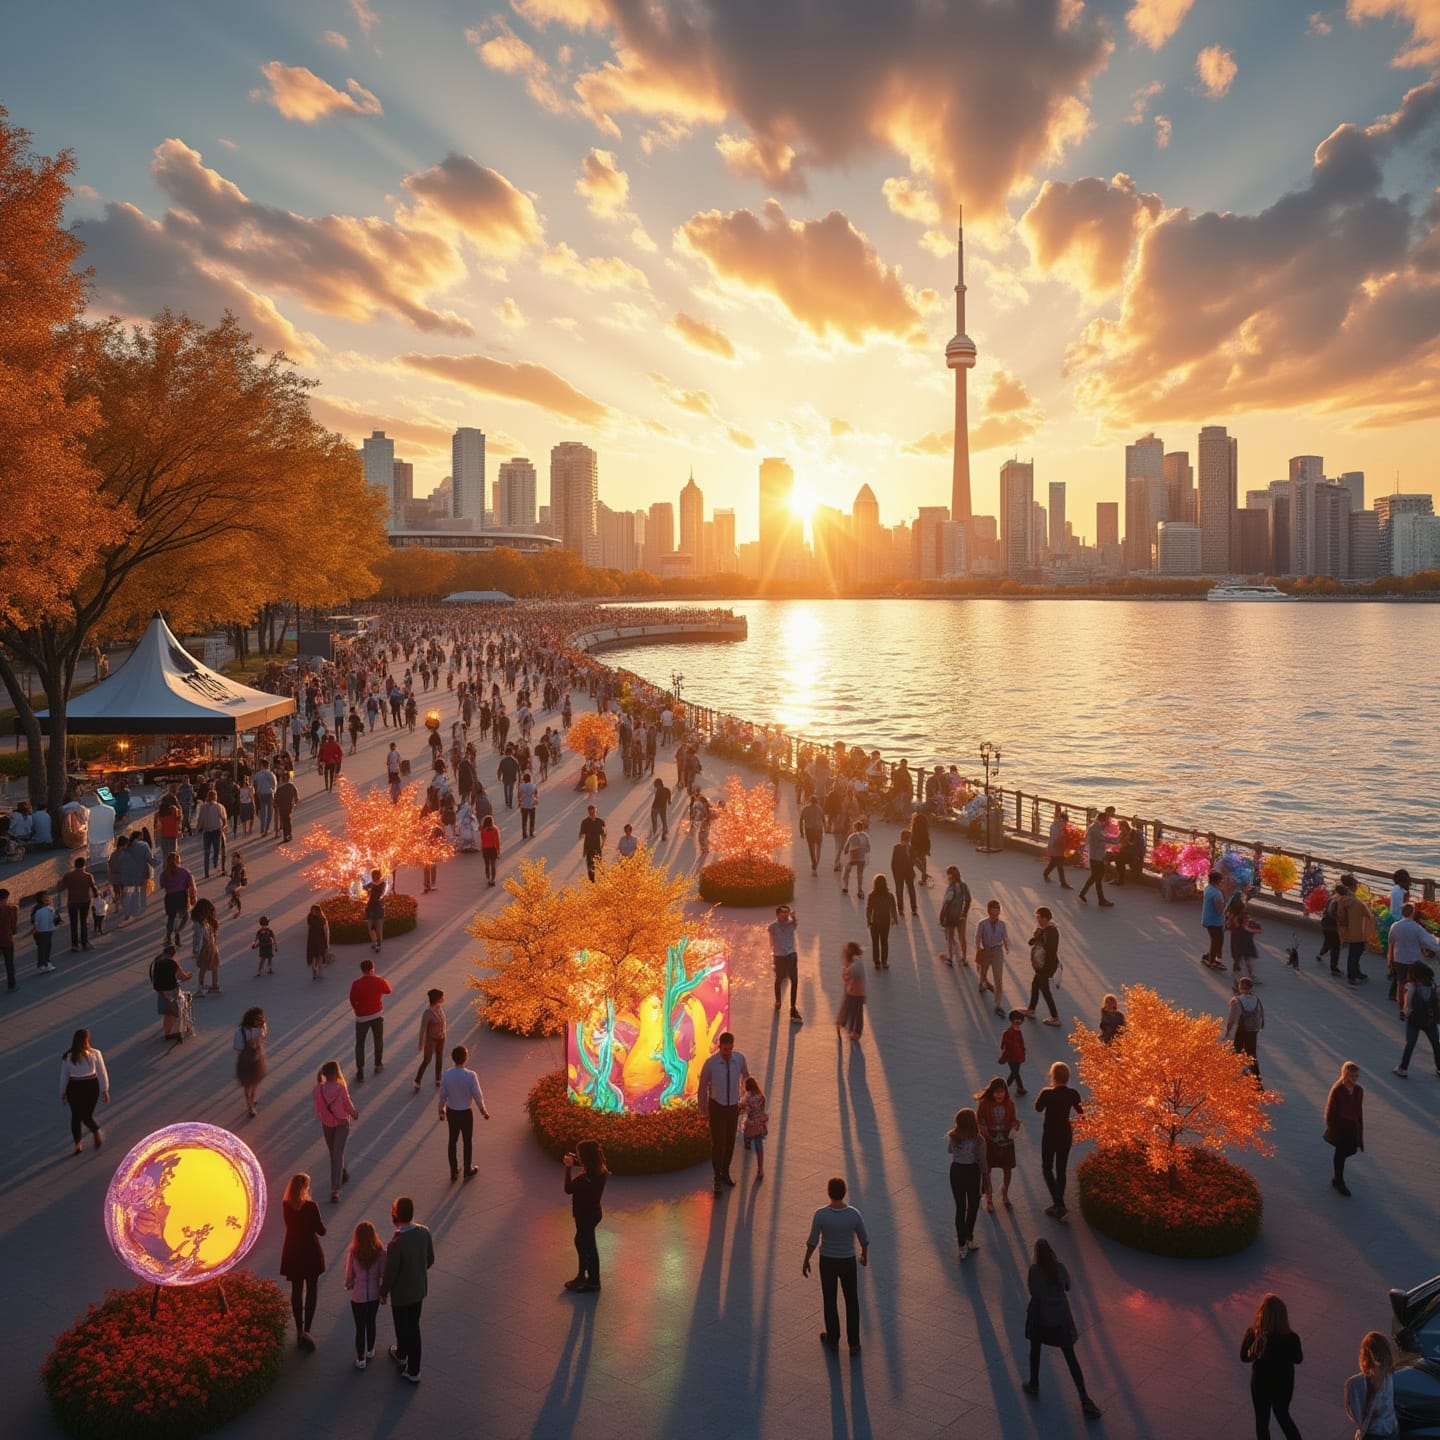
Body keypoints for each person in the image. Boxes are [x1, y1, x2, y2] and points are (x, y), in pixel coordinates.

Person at [1022, 1237, 1103, 1417]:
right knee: (1070, 1357)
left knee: (1035, 1350)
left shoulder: (1034, 1271)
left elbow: (1034, 1292)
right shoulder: (1060, 1268)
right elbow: (1068, 1286)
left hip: (1040, 1318)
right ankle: (1084, 1397)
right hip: (1061, 1319)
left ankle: (1034, 1384)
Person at [803, 1176, 869, 1355]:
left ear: (829, 1193)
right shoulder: (854, 1214)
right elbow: (864, 1239)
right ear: (844, 1192)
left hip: (828, 1261)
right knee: (851, 1300)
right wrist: (864, 1256)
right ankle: (854, 1343)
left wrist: (806, 1259)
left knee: (830, 1300)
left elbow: (813, 1241)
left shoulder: (821, 1214)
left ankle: (833, 1339)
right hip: (847, 1261)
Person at [380, 1195, 434, 1383]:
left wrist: (383, 1292)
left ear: (395, 1215)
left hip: (402, 1295)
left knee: (406, 1328)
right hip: (418, 1290)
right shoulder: (424, 1232)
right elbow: (430, 1259)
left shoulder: (396, 1245)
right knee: (412, 1324)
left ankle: (413, 1370)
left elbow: (390, 1274)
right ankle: (402, 1353)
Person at [1240, 1293, 1305, 1440]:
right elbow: (1298, 1359)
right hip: (1283, 1385)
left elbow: (1244, 1357)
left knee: (1262, 1422)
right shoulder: (1291, 1338)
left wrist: (1255, 1352)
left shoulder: (1253, 1334)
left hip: (1260, 1384)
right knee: (1283, 1416)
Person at [697, 1030, 750, 1195]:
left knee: (730, 1141)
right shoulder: (711, 1063)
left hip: (732, 1106)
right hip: (717, 1106)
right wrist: (704, 1110)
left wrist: (744, 1098)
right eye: (725, 1049)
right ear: (720, 1047)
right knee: (718, 1143)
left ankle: (725, 1171)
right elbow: (702, 1087)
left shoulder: (739, 1059)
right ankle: (717, 1177)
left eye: (730, 1049)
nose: (727, 1053)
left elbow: (747, 1078)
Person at [279, 1173, 327, 1353]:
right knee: (312, 1289)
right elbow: (321, 1231)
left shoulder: (286, 1206)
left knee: (296, 1291)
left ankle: (298, 1330)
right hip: (310, 1253)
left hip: (293, 1252)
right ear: (305, 1187)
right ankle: (307, 1330)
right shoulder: (311, 1206)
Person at [1034, 1061, 1083, 1221]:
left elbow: (1038, 1108)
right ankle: (1058, 1205)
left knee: (1047, 1167)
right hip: (1065, 1134)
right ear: (1068, 1077)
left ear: (1052, 1076)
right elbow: (1081, 1112)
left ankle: (1058, 1204)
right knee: (1061, 1169)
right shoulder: (1073, 1094)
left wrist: (1044, 1094)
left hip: (1050, 1135)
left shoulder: (1047, 1094)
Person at [438, 1044, 491, 1182]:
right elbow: (477, 1095)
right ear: (465, 1058)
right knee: (467, 1142)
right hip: (466, 1113)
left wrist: (441, 1110)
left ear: (453, 1058)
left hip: (452, 1112)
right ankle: (467, 1170)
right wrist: (483, 1111)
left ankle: (453, 1171)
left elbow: (442, 1094)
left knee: (452, 1141)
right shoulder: (471, 1075)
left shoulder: (447, 1074)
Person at [562, 1139, 609, 1293]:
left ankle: (593, 1281)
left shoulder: (584, 1180)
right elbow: (589, 1170)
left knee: (588, 1246)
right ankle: (583, 1275)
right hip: (594, 1212)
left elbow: (568, 1189)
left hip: (584, 1216)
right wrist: (577, 1162)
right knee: (582, 1242)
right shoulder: (601, 1172)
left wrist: (568, 1168)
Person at [314, 1059, 359, 1204]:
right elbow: (347, 1105)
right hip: (342, 1124)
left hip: (327, 1124)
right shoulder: (340, 1089)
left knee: (333, 1152)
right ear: (335, 1073)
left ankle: (339, 1178)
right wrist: (354, 1114)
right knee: (337, 1153)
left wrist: (325, 1116)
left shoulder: (317, 1089)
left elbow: (318, 1109)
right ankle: (335, 1189)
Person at [59, 1028, 109, 1155]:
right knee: (87, 1115)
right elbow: (102, 1073)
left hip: (74, 1087)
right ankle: (96, 1131)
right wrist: (105, 1090)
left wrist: (63, 1093)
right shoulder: (95, 1053)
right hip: (91, 1086)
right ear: (87, 1039)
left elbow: (64, 1076)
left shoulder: (68, 1056)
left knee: (76, 1116)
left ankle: (78, 1145)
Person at [345, 1221, 385, 1370]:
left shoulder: (354, 1253)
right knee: (371, 1322)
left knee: (360, 1327)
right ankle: (370, 1350)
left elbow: (349, 1276)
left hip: (358, 1297)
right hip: (373, 1296)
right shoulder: (381, 1252)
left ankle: (360, 1358)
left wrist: (349, 1284)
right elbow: (383, 1274)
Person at [947, 1108, 987, 1259]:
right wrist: (986, 1179)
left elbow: (950, 1151)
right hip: (972, 1172)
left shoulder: (953, 1136)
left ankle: (961, 1244)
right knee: (973, 1205)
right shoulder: (979, 1140)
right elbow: (983, 1161)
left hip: (956, 1171)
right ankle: (969, 1237)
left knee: (960, 1207)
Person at [976, 1075, 1020, 1210]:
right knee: (987, 1170)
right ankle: (989, 1197)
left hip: (1006, 1139)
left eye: (1002, 1091)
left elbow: (1013, 1119)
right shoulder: (984, 1104)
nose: (999, 1094)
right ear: (991, 1092)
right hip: (990, 1140)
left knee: (1007, 1168)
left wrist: (1015, 1126)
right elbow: (980, 1122)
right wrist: (985, 1132)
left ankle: (1005, 1193)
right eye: (996, 1092)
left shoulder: (1010, 1103)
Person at [1344, 1331, 1398, 1438]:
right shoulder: (1390, 1377)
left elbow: (1356, 1416)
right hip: (1393, 1432)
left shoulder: (1354, 1384)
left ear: (1364, 1355)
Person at [1388, 902, 1438, 1017]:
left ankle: (1401, 1007)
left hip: (1398, 957)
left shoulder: (1395, 926)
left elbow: (1391, 941)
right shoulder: (1417, 928)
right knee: (1413, 984)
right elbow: (1429, 942)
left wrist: (1389, 959)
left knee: (1400, 983)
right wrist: (1437, 948)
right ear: (1413, 913)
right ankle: (1409, 1006)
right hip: (1413, 960)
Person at [1324, 1060, 1364, 1196]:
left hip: (1352, 1126)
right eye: (1352, 1076)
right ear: (1346, 1075)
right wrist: (1333, 1128)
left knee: (1351, 1150)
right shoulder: (1338, 1090)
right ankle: (1339, 1180)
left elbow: (1359, 1112)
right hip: (1341, 1127)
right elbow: (1330, 1112)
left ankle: (1338, 1178)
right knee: (1340, 1154)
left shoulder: (1359, 1091)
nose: (1355, 1079)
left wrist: (1360, 1130)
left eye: (1357, 1076)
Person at [1395, 961, 1440, 1078]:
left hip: (1414, 1021)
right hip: (1430, 1020)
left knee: (1410, 1044)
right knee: (1436, 1044)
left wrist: (1405, 1014)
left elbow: (1407, 1005)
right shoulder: (1433, 985)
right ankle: (1439, 1068)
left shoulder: (1411, 987)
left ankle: (1403, 1069)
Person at [350, 957, 391, 1085]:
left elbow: (352, 1000)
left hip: (362, 1018)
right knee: (378, 1040)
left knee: (360, 1044)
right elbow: (388, 990)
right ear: (372, 969)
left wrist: (358, 1010)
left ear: (362, 970)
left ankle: (360, 1071)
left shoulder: (356, 984)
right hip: (377, 1015)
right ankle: (378, 1064)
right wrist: (380, 978)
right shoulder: (378, 980)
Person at [1337, 874, 1377, 985]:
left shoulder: (1343, 899)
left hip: (1348, 930)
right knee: (1356, 953)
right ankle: (1352, 975)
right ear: (1353, 885)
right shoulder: (1355, 902)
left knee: (1353, 952)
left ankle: (1356, 972)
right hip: (1358, 931)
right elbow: (1367, 915)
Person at [1027, 906, 1063, 1026]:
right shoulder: (1043, 930)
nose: (1037, 920)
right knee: (1035, 985)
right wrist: (1038, 934)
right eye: (1037, 917)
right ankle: (1031, 1010)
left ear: (1045, 918)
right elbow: (1032, 941)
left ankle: (1055, 1017)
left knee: (1045, 991)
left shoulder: (1051, 932)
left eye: (1039, 917)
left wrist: (1046, 969)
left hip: (1045, 967)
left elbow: (1051, 951)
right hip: (1041, 966)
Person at [1225, 977, 1266, 1082]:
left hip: (1242, 1029)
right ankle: (1257, 1080)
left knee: (1236, 1051)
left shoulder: (1237, 1001)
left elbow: (1232, 1019)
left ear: (1240, 987)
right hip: (1253, 1029)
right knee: (1252, 1054)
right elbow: (1261, 1014)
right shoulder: (1256, 999)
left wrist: (1228, 1031)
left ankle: (1234, 1076)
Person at [150, 943, 192, 1043]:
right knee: (172, 1012)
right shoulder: (173, 963)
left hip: (161, 991)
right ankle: (169, 1034)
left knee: (167, 1012)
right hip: (172, 991)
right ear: (173, 954)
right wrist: (189, 975)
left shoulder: (158, 962)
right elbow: (182, 977)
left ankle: (167, 1032)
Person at [975, 900, 1010, 1018]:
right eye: (993, 910)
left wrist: (1006, 946)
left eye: (997, 910)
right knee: (983, 972)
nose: (996, 912)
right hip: (985, 950)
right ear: (988, 911)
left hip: (997, 951)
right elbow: (978, 937)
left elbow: (1005, 937)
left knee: (998, 978)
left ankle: (997, 1005)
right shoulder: (982, 923)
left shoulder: (1002, 924)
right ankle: (982, 982)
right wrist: (978, 947)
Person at [768, 904, 802, 1023]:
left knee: (794, 980)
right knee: (779, 978)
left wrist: (794, 916)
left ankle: (793, 1008)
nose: (785, 914)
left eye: (787, 912)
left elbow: (796, 922)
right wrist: (772, 955)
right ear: (777, 914)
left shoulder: (791, 924)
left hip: (791, 954)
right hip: (779, 956)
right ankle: (778, 1001)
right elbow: (771, 942)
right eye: (783, 912)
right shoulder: (772, 927)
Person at [1076, 808, 1115, 907]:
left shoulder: (1094, 827)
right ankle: (1100, 899)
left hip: (1095, 855)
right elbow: (1104, 839)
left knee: (1095, 877)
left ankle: (1088, 895)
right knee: (1097, 877)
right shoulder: (1097, 829)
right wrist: (1118, 840)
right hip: (1097, 856)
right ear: (1102, 819)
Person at [59, 857, 99, 953]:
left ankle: (74, 945)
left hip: (72, 901)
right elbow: (93, 888)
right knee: (83, 922)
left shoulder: (68, 875)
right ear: (84, 865)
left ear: (74, 865)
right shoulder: (88, 876)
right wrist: (97, 896)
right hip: (85, 901)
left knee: (73, 923)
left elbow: (62, 887)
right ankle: (85, 943)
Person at [234, 1006, 268, 1118]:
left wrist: (257, 1043)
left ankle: (251, 1100)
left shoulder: (262, 1027)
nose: (261, 1021)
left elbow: (263, 1037)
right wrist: (251, 1044)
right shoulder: (241, 1031)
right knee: (248, 1085)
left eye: (262, 1019)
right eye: (259, 1019)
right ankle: (250, 1106)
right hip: (246, 1061)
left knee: (255, 1084)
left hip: (258, 1060)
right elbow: (238, 1046)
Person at [158, 853, 197, 944]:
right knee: (185, 916)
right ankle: (178, 931)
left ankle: (168, 936)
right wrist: (193, 897)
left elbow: (162, 885)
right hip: (181, 897)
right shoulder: (184, 872)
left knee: (171, 917)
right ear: (177, 861)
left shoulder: (164, 874)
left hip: (170, 898)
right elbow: (191, 885)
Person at [414, 989, 447, 1092]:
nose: (443, 998)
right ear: (437, 999)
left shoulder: (439, 1008)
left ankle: (438, 1079)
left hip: (441, 1038)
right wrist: (421, 1044)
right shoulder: (427, 1013)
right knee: (427, 1060)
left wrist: (443, 1033)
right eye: (442, 997)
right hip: (431, 1040)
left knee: (439, 1058)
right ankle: (417, 1081)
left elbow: (443, 1022)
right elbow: (422, 1030)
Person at [938, 865, 972, 967]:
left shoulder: (951, 887)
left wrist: (942, 916)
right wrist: (964, 914)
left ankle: (950, 958)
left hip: (950, 916)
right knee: (962, 938)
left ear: (950, 876)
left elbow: (946, 903)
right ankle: (964, 958)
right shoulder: (963, 886)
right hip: (960, 916)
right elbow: (968, 899)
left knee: (949, 936)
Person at [865, 874, 898, 970]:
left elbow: (869, 909)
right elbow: (893, 908)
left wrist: (868, 920)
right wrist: (894, 918)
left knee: (875, 943)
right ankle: (884, 962)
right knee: (884, 942)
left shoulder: (872, 895)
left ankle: (876, 962)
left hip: (874, 922)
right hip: (885, 922)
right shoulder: (890, 896)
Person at [836, 939, 866, 1041]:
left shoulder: (855, 964)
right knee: (855, 1012)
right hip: (858, 992)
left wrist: (845, 966)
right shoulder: (857, 962)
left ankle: (845, 1025)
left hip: (854, 993)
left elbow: (846, 976)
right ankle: (853, 1030)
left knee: (851, 1010)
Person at [740, 1075, 769, 1180]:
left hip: (751, 1126)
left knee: (745, 1132)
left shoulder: (748, 1100)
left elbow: (746, 1111)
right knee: (759, 1147)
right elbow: (762, 1109)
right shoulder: (761, 1097)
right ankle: (760, 1169)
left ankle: (747, 1143)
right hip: (760, 1125)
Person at [195, 789, 228, 878]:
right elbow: (224, 818)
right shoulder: (219, 806)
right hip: (216, 830)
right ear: (215, 797)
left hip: (207, 831)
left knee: (206, 852)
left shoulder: (202, 807)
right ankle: (215, 862)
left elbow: (200, 819)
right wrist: (224, 826)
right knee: (217, 849)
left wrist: (199, 828)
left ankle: (206, 873)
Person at [192, 898, 221, 995]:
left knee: (204, 968)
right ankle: (214, 986)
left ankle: (201, 988)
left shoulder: (200, 923)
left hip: (207, 947)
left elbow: (198, 937)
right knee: (214, 966)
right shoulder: (206, 922)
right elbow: (202, 936)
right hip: (211, 946)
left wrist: (196, 951)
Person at [1201, 870, 1228, 970]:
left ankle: (1210, 957)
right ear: (1217, 881)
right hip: (1215, 921)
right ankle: (1211, 961)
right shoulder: (1217, 893)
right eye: (1221, 881)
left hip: (1208, 919)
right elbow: (1220, 909)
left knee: (1217, 940)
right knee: (1216, 941)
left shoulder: (1208, 888)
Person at [1042, 806, 1073, 888]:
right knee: (1059, 864)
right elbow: (1060, 837)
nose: (1067, 821)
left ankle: (1046, 873)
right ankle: (1063, 882)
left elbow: (1053, 835)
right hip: (1057, 847)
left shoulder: (1054, 824)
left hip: (1053, 846)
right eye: (1067, 819)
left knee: (1054, 862)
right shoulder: (1062, 826)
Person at [999, 1010, 1028, 1094]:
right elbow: (1003, 1044)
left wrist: (1023, 1052)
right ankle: (1006, 1088)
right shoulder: (1008, 1032)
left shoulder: (1019, 1032)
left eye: (1020, 1019)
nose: (1018, 1021)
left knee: (1015, 1072)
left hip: (1018, 1056)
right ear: (1012, 1020)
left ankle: (1019, 1088)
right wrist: (1012, 1045)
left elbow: (1021, 1043)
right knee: (1015, 1073)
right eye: (1016, 1019)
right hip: (1011, 1056)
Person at [30, 890, 58, 974]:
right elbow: (55, 919)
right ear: (43, 899)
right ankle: (45, 964)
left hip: (40, 932)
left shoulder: (35, 909)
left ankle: (43, 964)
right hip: (46, 931)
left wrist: (34, 932)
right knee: (46, 948)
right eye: (47, 896)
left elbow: (33, 921)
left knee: (42, 948)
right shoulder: (49, 909)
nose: (49, 898)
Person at [891, 831, 918, 917]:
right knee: (911, 890)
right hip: (909, 872)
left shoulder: (897, 847)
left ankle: (900, 909)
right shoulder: (911, 848)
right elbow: (914, 861)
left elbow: (893, 862)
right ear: (909, 838)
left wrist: (894, 873)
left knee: (899, 890)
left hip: (899, 872)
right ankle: (913, 908)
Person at [840, 818, 870, 896]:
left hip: (853, 856)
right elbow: (868, 848)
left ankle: (845, 887)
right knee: (860, 874)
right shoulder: (866, 836)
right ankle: (860, 889)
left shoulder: (852, 836)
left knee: (847, 870)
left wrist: (846, 852)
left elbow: (845, 848)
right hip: (862, 857)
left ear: (855, 827)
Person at [798, 794, 826, 876]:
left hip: (809, 830)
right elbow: (824, 820)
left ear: (810, 801)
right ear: (817, 801)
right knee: (818, 847)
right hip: (818, 830)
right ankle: (816, 864)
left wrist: (801, 832)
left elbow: (800, 821)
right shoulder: (820, 809)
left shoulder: (805, 809)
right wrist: (825, 829)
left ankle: (814, 865)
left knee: (811, 848)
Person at [578, 804, 606, 882]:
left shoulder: (600, 821)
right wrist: (581, 835)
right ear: (588, 812)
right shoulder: (585, 822)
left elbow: (604, 834)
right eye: (590, 811)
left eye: (593, 811)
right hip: (589, 846)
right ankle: (592, 881)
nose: (592, 813)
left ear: (596, 811)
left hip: (597, 846)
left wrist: (603, 843)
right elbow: (581, 834)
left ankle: (601, 881)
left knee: (599, 864)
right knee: (590, 865)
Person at [362, 869, 387, 954]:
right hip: (380, 907)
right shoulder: (383, 884)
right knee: (379, 928)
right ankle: (379, 944)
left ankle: (374, 942)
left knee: (371, 927)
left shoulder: (371, 885)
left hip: (371, 908)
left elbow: (364, 887)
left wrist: (363, 881)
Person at [0, 888, 18, 992]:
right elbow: (14, 927)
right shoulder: (11, 909)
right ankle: (11, 985)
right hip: (7, 940)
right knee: (9, 963)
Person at [306, 903, 330, 981]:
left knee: (313, 955)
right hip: (320, 939)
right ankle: (319, 971)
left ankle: (314, 971)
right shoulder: (322, 919)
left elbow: (309, 927)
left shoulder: (309, 917)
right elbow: (325, 931)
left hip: (312, 939)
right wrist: (327, 942)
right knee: (319, 955)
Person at [274, 772, 299, 844]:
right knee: (288, 819)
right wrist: (294, 804)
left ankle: (286, 835)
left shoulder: (279, 788)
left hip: (281, 806)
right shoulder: (292, 786)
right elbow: (296, 796)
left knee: (284, 820)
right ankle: (289, 834)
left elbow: (275, 798)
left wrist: (275, 804)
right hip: (289, 806)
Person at [479, 815, 501, 887]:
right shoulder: (495, 829)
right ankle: (492, 879)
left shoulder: (483, 830)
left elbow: (482, 839)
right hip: (493, 849)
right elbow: (497, 841)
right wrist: (498, 850)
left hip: (485, 849)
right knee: (493, 865)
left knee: (487, 865)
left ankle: (488, 878)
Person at [517, 771, 538, 839]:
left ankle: (524, 834)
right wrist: (536, 801)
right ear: (530, 779)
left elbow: (519, 795)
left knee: (524, 820)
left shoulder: (521, 786)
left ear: (524, 779)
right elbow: (536, 794)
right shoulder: (533, 785)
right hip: (531, 805)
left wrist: (520, 802)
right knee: (532, 820)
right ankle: (531, 832)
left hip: (524, 805)